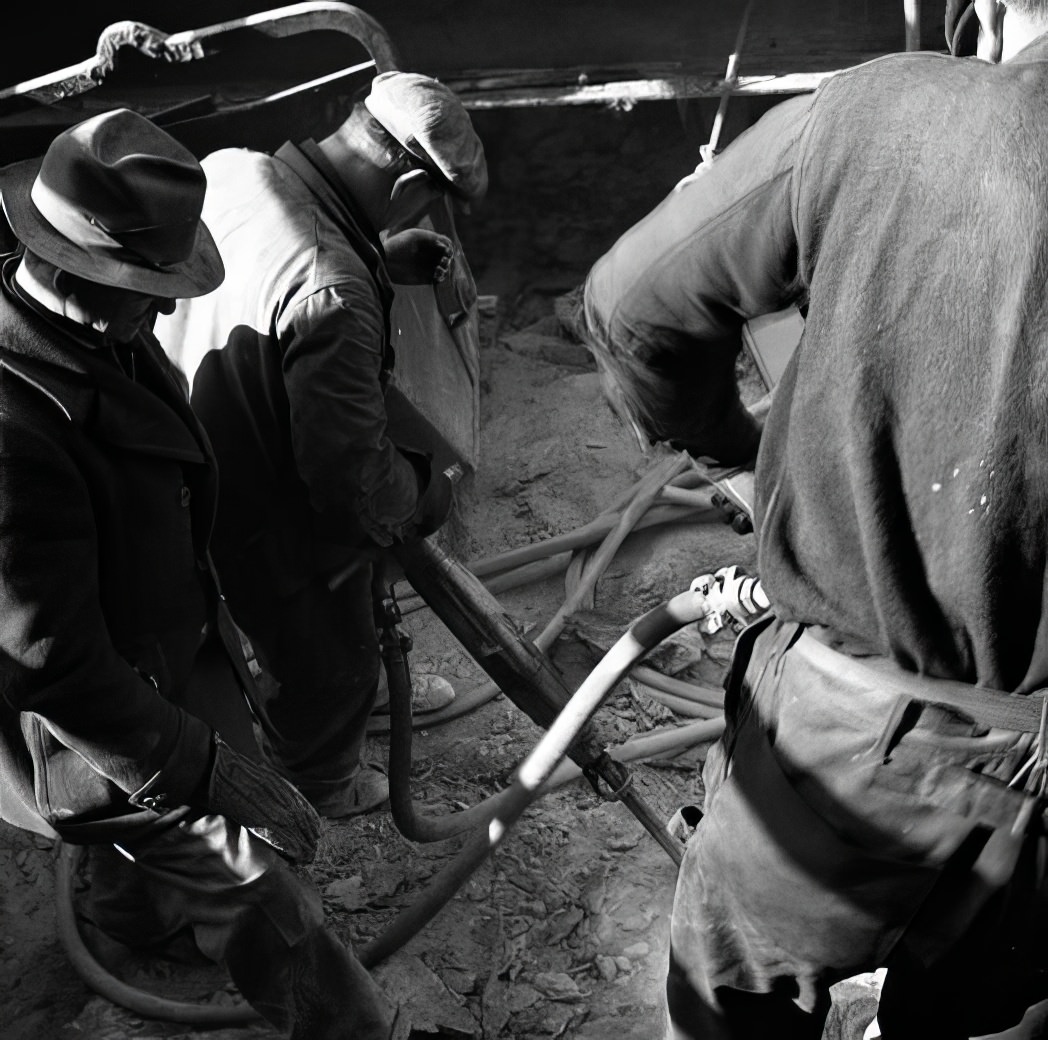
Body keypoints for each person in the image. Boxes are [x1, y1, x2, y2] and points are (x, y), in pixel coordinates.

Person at [580, 2, 1048, 1038]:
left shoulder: (887, 113)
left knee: (731, 1001)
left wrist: (736, 456)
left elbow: (631, 308)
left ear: (983, 11)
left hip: (847, 741)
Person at [0, 108, 396, 1039]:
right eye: (148, 284)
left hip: (159, 654)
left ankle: (126, 919)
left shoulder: (97, 326)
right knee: (264, 895)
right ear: (65, 267)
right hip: (82, 725)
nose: (170, 307)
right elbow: (58, 674)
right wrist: (207, 772)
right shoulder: (15, 441)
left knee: (144, 856)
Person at [158, 71, 488, 820]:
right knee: (325, 654)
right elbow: (355, 490)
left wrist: (376, 251)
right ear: (408, 178)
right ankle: (317, 786)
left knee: (325, 634)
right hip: (263, 512)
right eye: (429, 198)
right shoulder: (332, 289)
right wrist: (431, 487)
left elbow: (282, 263)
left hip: (200, 445)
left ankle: (348, 705)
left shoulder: (235, 168)